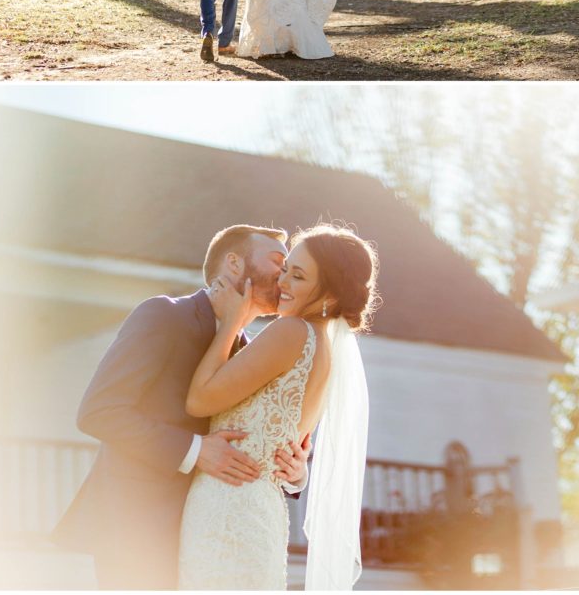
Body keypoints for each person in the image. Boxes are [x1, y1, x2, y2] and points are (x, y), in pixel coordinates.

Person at [52, 225, 310, 590]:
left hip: (206, 538)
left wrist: (295, 471)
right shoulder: (164, 315)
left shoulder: (251, 351)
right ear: (234, 264)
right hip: (136, 532)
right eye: (277, 262)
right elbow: (99, 411)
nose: (285, 275)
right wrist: (195, 449)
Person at [178, 224, 379, 590]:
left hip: (228, 506)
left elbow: (199, 399)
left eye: (298, 276)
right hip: (261, 512)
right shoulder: (324, 351)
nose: (282, 281)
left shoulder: (291, 333)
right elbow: (290, 450)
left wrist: (233, 322)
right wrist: (299, 473)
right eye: (286, 268)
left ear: (329, 295)